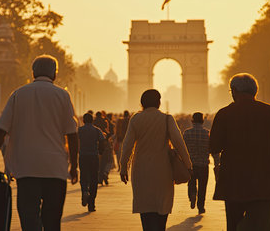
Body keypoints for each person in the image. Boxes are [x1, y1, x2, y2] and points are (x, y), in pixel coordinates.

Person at [0, 55, 79, 231]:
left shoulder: (18, 94)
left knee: (29, 217)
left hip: (26, 167)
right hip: (55, 168)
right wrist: (74, 165)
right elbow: (72, 134)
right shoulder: (63, 95)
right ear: (55, 74)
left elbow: (1, 130)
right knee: (52, 220)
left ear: (33, 73)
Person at [210, 73, 270, 231]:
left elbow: (214, 146)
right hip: (264, 178)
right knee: (262, 224)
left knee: (234, 223)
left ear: (235, 91)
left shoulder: (224, 114)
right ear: (254, 91)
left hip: (233, 180)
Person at [120, 89, 192, 231]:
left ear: (142, 103)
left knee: (146, 209)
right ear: (159, 102)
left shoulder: (136, 119)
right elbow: (179, 142)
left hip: (141, 170)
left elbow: (127, 145)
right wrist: (188, 164)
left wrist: (123, 167)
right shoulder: (167, 119)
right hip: (163, 170)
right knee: (162, 208)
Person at [183, 112, 220, 214]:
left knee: (191, 182)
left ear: (192, 121)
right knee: (203, 186)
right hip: (203, 165)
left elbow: (183, 149)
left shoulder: (187, 133)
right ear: (203, 121)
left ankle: (192, 195)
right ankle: (201, 207)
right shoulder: (207, 134)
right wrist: (217, 163)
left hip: (191, 164)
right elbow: (214, 150)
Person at [78, 113, 106, 212]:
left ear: (84, 121)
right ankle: (91, 204)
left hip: (83, 156)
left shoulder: (80, 130)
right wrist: (100, 150)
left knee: (83, 176)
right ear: (92, 120)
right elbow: (102, 140)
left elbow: (75, 140)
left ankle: (85, 191)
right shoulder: (96, 130)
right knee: (94, 178)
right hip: (93, 156)